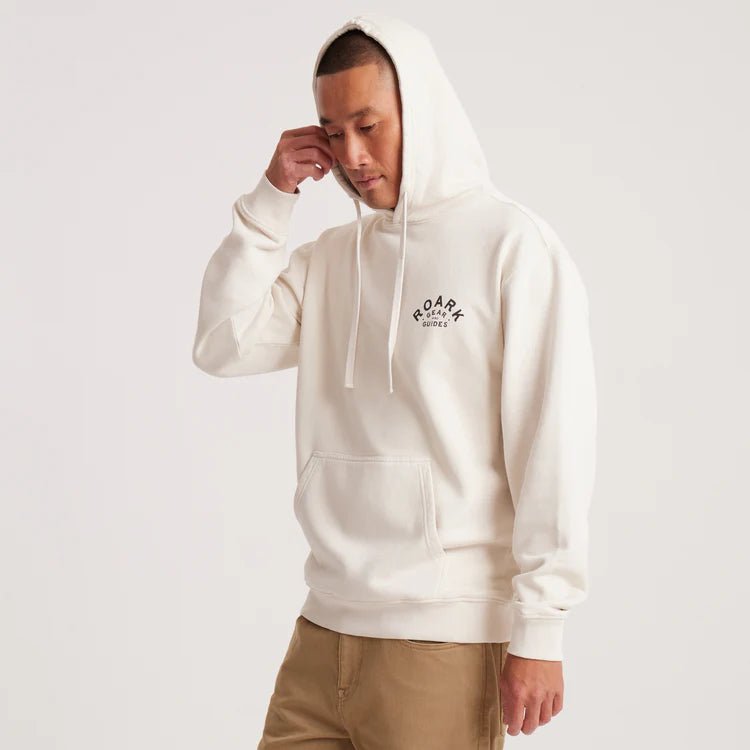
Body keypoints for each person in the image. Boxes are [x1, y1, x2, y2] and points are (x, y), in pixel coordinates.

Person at [192, 12, 597, 750]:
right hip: (322, 630)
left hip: (444, 638)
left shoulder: (512, 247)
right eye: (332, 132)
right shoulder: (330, 257)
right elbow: (221, 345)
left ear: (422, 109)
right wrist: (271, 198)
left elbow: (552, 445)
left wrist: (541, 628)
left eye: (369, 126)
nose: (352, 155)